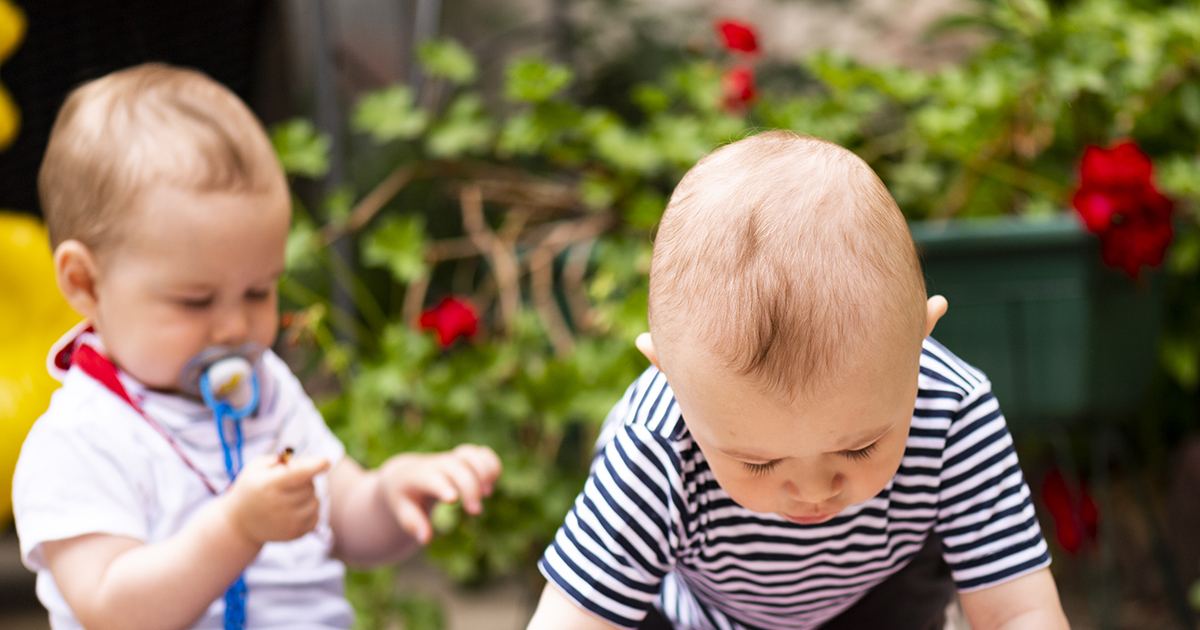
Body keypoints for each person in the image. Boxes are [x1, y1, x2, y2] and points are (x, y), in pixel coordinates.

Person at [12, 63, 502, 630]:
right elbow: (112, 609)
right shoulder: (82, 437)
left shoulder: (264, 390)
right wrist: (236, 529)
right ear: (85, 283)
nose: (233, 328)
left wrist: (393, 494)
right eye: (195, 301)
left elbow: (341, 515)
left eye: (259, 291)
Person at [525, 131, 1070, 630]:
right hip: (703, 617)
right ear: (665, 373)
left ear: (919, 342)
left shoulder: (953, 410)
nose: (813, 491)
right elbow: (573, 619)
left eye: (860, 447)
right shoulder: (655, 445)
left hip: (879, 599)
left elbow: (1016, 610)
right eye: (757, 461)